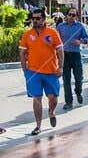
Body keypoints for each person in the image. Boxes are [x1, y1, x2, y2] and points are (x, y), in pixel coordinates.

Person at [19, 7, 64, 135]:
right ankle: (38, 125)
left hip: (51, 71)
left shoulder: (53, 32)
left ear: (44, 19)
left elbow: (60, 50)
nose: (35, 21)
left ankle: (51, 111)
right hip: (33, 72)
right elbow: (22, 52)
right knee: (36, 98)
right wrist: (24, 69)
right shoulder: (27, 34)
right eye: (33, 18)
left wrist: (60, 67)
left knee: (53, 98)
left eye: (38, 18)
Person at [55, 10, 88, 109]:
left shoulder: (80, 26)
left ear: (76, 17)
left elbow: (87, 39)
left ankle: (78, 92)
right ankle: (68, 102)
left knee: (79, 77)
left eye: (73, 15)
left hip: (76, 54)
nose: (71, 16)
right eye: (69, 14)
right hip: (64, 55)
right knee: (66, 80)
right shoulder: (60, 26)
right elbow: (56, 40)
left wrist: (80, 41)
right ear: (66, 15)